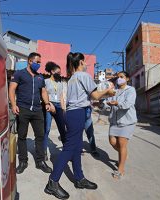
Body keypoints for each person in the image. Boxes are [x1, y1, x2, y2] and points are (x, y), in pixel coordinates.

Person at [44, 52, 115, 199]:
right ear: (81, 62)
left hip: (72, 113)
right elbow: (95, 96)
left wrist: (104, 94)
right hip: (77, 113)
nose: (87, 64)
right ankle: (52, 182)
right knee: (70, 147)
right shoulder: (84, 76)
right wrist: (108, 91)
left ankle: (79, 178)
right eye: (85, 62)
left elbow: (88, 97)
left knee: (76, 147)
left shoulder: (72, 79)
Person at [9, 52, 53, 174]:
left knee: (40, 136)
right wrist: (13, 105)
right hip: (23, 109)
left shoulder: (40, 77)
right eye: (37, 62)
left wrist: (47, 103)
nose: (39, 64)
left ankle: (40, 161)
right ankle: (23, 161)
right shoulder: (19, 74)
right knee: (22, 136)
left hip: (38, 110)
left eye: (40, 62)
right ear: (30, 61)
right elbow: (12, 89)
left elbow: (43, 92)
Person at [106, 71, 137, 180]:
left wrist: (117, 103)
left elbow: (128, 104)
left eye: (121, 77)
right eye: (118, 77)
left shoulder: (131, 90)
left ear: (127, 79)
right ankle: (124, 155)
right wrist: (108, 102)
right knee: (112, 142)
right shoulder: (115, 91)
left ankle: (120, 169)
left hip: (127, 121)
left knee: (122, 143)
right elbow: (107, 103)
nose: (119, 79)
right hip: (114, 121)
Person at [43, 61, 66, 160]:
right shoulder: (46, 81)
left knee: (62, 128)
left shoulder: (60, 83)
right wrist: (48, 103)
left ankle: (66, 150)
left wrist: (63, 108)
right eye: (58, 72)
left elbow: (61, 96)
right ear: (52, 71)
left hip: (58, 106)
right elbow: (44, 94)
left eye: (60, 73)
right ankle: (43, 151)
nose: (59, 74)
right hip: (49, 105)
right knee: (47, 128)